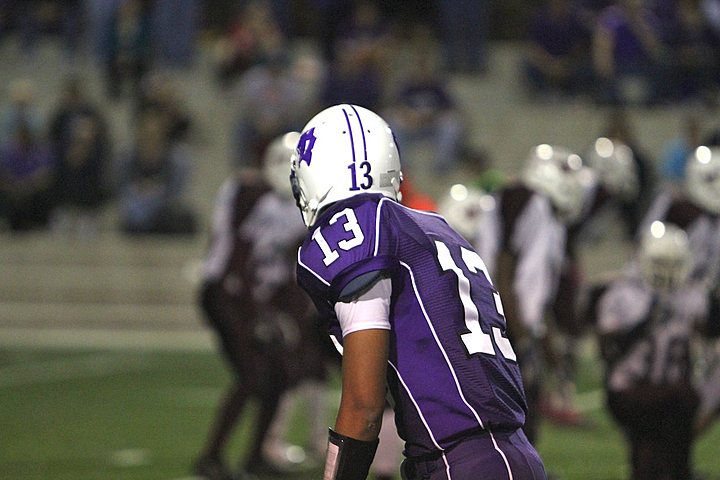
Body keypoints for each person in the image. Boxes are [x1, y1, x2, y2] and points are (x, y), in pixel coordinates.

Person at [290, 104, 546, 480]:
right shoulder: (438, 229)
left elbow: (363, 407)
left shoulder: (360, 231)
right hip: (506, 452)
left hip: (463, 460)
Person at [194, 132, 327, 479]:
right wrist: (258, 310)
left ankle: (254, 457)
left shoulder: (300, 209)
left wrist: (288, 314)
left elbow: (289, 268)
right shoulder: (246, 191)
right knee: (252, 374)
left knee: (281, 374)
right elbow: (233, 252)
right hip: (226, 292)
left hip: (256, 299)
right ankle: (210, 457)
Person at [474, 144, 590, 444]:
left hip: (505, 317)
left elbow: (535, 291)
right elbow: (504, 266)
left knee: (524, 406)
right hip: (499, 319)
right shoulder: (526, 200)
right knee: (508, 409)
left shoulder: (540, 210)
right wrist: (522, 332)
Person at [592, 221, 713, 480]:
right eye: (660, 263)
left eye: (673, 264)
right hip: (631, 387)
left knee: (682, 404)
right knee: (656, 431)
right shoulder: (625, 295)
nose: (666, 272)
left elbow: (706, 327)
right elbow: (606, 343)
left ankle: (674, 470)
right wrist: (642, 322)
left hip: (669, 390)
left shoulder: (691, 295)